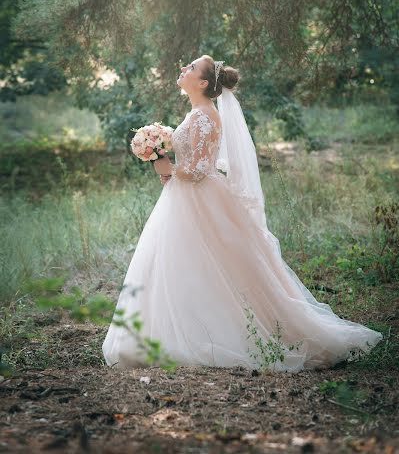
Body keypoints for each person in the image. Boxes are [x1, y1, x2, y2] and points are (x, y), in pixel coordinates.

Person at [102, 55, 383, 372]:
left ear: (204, 83)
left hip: (198, 199)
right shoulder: (197, 113)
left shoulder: (204, 116)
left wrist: (165, 163)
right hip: (188, 197)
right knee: (185, 263)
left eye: (191, 68)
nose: (182, 69)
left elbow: (198, 170)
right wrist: (161, 158)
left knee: (205, 263)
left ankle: (206, 334)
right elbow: (192, 165)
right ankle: (180, 328)